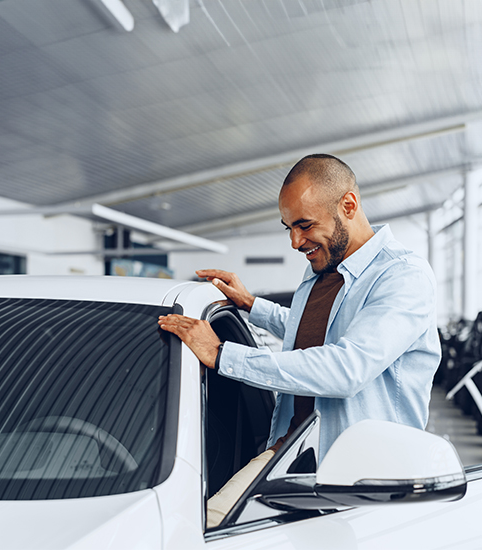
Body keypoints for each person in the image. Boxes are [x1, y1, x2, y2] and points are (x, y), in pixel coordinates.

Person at [158, 154, 441, 527]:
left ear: (349, 205)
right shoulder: (319, 273)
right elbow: (313, 333)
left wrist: (223, 354)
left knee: (208, 525)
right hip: (291, 455)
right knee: (205, 525)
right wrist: (252, 305)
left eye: (305, 225)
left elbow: (345, 368)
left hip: (362, 484)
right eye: (288, 227)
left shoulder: (402, 276)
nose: (295, 241)